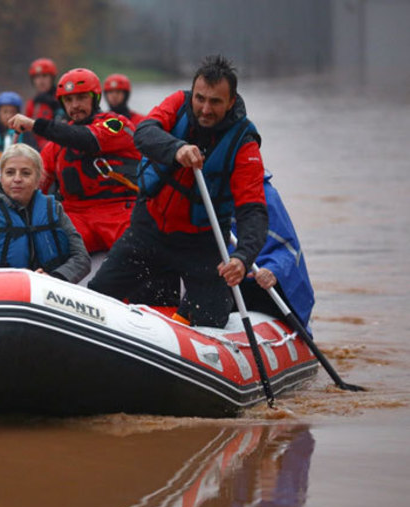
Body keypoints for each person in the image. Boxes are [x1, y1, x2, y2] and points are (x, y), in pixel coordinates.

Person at [88, 54, 268, 328]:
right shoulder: (178, 104)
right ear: (192, 94)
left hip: (202, 245)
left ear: (231, 102)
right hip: (148, 232)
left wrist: (242, 258)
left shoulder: (244, 143)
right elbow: (144, 133)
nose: (205, 109)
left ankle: (192, 317)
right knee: (96, 296)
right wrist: (176, 149)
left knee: (212, 323)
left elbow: (252, 210)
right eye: (200, 98)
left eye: (215, 102)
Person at [7, 67, 141, 254]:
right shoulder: (54, 146)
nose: (74, 106)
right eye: (68, 100)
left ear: (95, 98)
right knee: (38, 248)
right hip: (76, 216)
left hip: (119, 212)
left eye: (81, 98)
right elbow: (35, 186)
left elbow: (86, 138)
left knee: (138, 253)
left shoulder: (117, 124)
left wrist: (35, 125)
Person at [0, 143, 90, 283]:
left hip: (51, 291)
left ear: (38, 179)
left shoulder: (54, 209)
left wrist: (53, 278)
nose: (17, 179)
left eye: (26, 173)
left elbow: (81, 258)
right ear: (1, 177)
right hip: (6, 294)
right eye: (10, 173)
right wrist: (18, 281)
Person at [234, 171, 315, 334]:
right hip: (226, 280)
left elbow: (289, 250)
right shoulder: (202, 192)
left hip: (260, 285)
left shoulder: (267, 196)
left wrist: (273, 270)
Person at [24, 57, 65, 149]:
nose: (41, 81)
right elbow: (28, 132)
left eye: (45, 76)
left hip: (58, 147)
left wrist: (55, 106)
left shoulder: (63, 98)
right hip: (38, 150)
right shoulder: (32, 104)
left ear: (52, 78)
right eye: (37, 77)